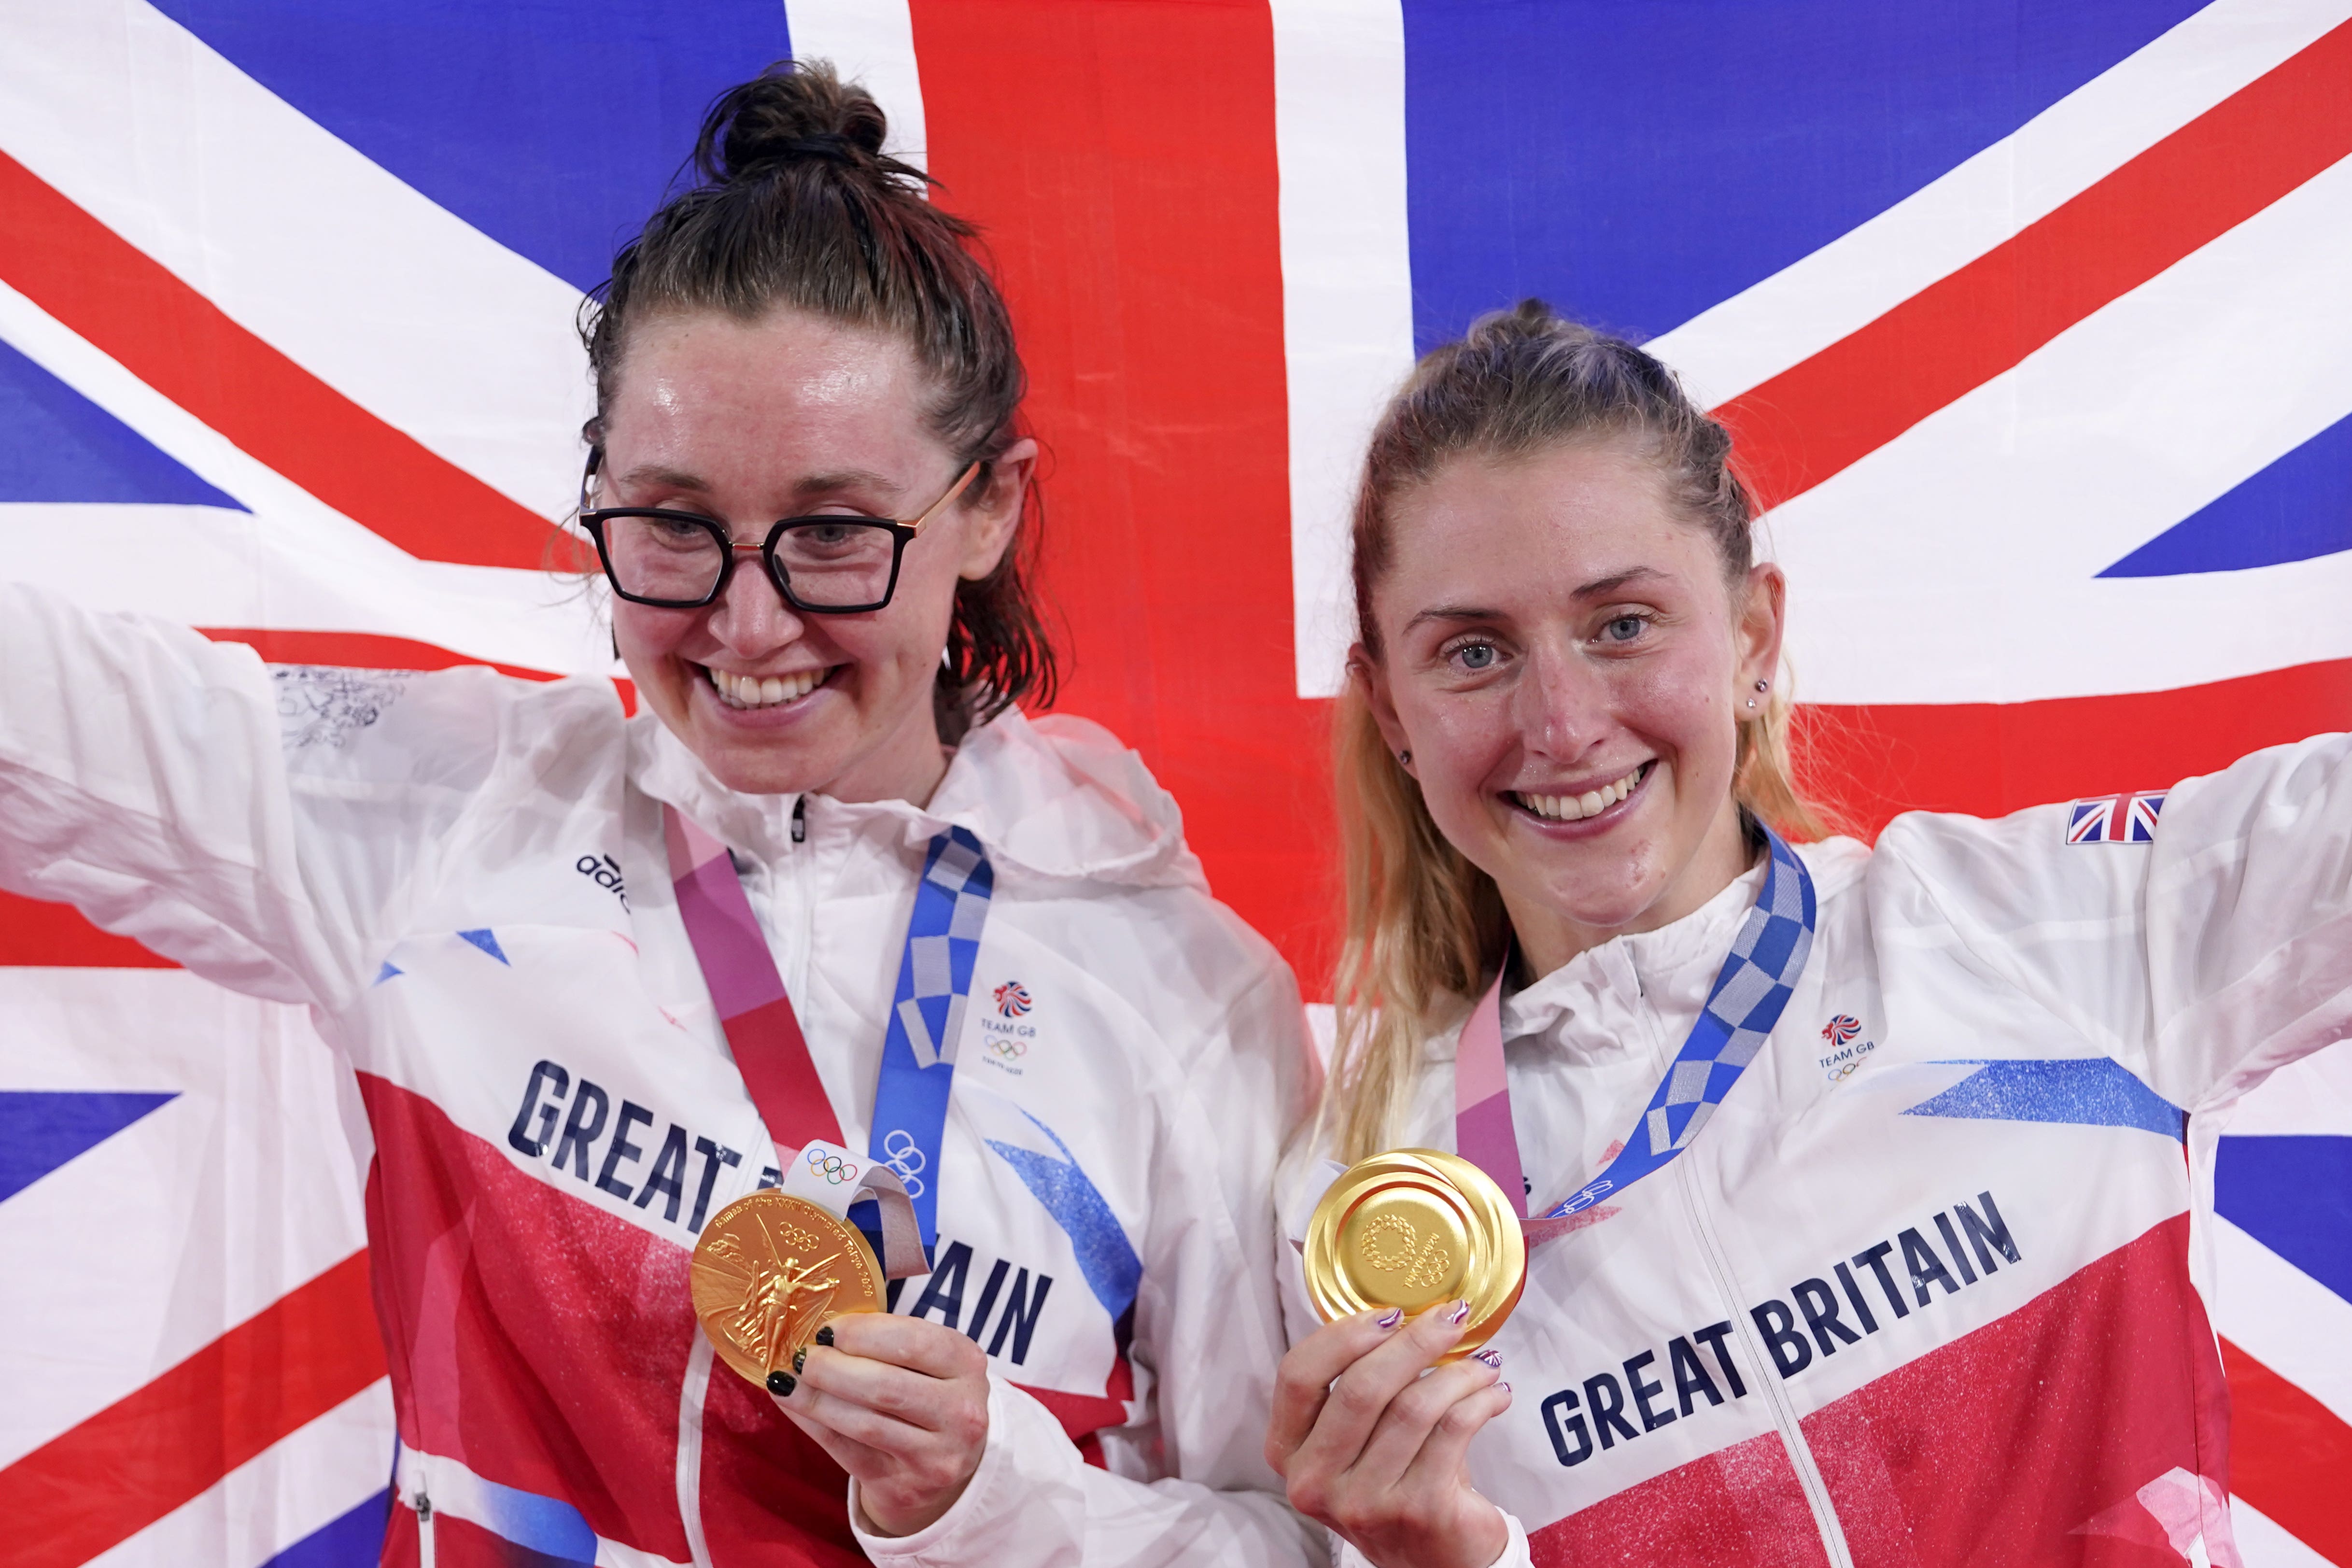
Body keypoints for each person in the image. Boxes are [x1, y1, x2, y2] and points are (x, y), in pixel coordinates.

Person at [0, 63, 1323, 1568]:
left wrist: (989, 1496)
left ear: (988, 505)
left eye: (833, 533)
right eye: (674, 527)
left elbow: (1285, 1539)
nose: (747, 627)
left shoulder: (1188, 996)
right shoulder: (443, 815)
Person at [1265, 300, 2350, 1568]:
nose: (1560, 725)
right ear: (1391, 711)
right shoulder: (1364, 1205)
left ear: (1754, 638)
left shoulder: (2032, 935)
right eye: (1472, 653)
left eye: (1622, 624)